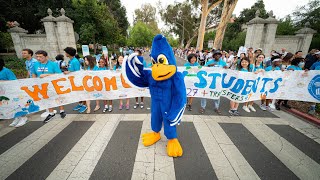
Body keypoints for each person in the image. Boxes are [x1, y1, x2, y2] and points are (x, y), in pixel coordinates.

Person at [31, 50, 66, 123]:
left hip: (53, 85)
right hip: (41, 86)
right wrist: (34, 81)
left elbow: (58, 74)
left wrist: (46, 75)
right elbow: (33, 73)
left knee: (58, 97)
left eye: (40, 57)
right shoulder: (35, 64)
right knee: (47, 99)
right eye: (37, 57)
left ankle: (62, 110)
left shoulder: (53, 64)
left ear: (46, 57)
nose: (38, 58)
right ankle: (51, 113)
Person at [200, 50, 227, 115]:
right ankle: (202, 107)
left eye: (218, 54)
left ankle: (216, 107)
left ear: (220, 56)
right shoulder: (210, 62)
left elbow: (227, 70)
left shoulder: (223, 62)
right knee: (204, 93)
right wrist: (209, 66)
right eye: (216, 54)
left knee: (217, 94)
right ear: (214, 56)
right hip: (209, 81)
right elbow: (204, 69)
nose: (217, 56)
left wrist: (226, 68)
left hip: (217, 82)